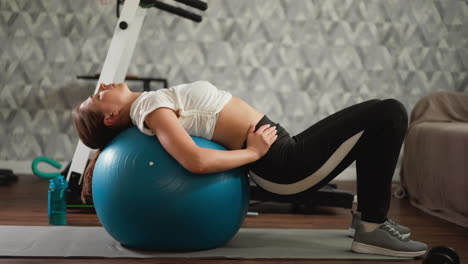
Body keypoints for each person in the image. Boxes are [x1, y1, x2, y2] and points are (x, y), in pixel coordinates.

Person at [73, 80, 427, 257]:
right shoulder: (149, 108)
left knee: (381, 112)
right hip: (282, 166)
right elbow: (194, 160)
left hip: (284, 151)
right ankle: (371, 227)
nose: (102, 85)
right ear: (110, 116)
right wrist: (254, 153)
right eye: (97, 95)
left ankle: (369, 217)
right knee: (390, 113)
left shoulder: (150, 103)